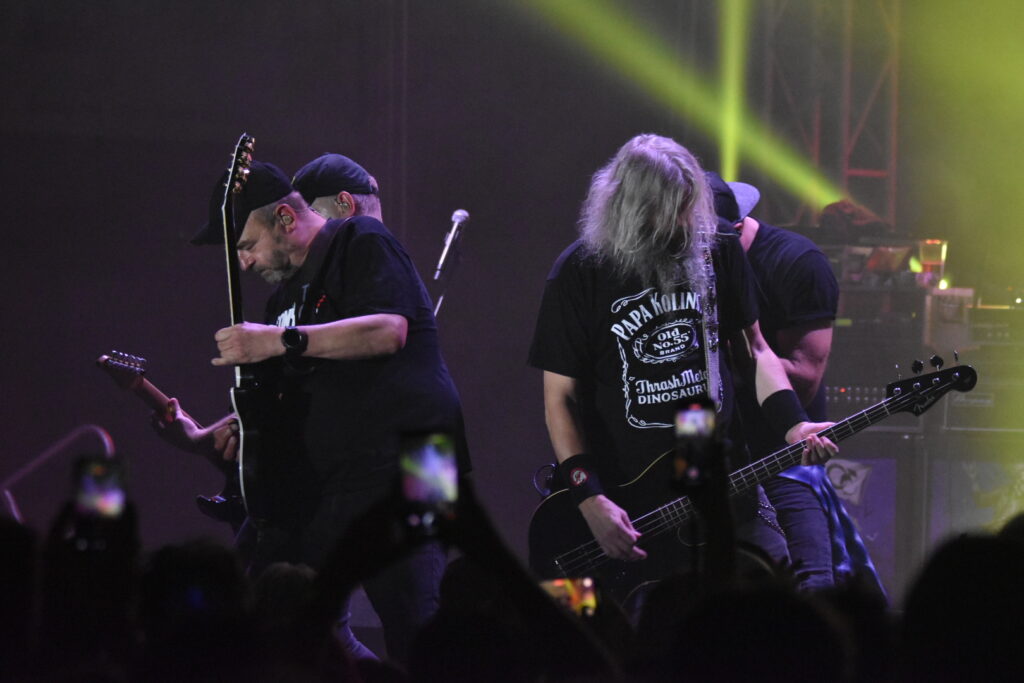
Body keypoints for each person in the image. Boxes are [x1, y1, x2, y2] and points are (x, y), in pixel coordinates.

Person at [156, 157, 464, 663]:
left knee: (415, 626)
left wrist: (278, 341)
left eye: (247, 245)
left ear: (284, 217)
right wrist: (202, 437)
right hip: (332, 476)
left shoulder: (361, 238)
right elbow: (276, 407)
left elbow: (388, 330)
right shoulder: (281, 301)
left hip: (413, 463)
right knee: (276, 619)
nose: (244, 263)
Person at [528, 134, 836, 574]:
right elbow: (560, 399)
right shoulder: (580, 270)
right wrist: (590, 497)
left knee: (770, 590)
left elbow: (755, 351)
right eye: (670, 210)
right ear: (629, 209)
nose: (685, 222)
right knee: (624, 613)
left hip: (713, 471)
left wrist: (794, 424)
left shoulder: (717, 248)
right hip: (625, 489)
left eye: (689, 207)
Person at [707, 172, 885, 596]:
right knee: (699, 584)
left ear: (732, 231)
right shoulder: (674, 268)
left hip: (777, 453)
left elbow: (801, 376)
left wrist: (724, 361)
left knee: (809, 587)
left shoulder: (797, 263)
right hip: (708, 453)